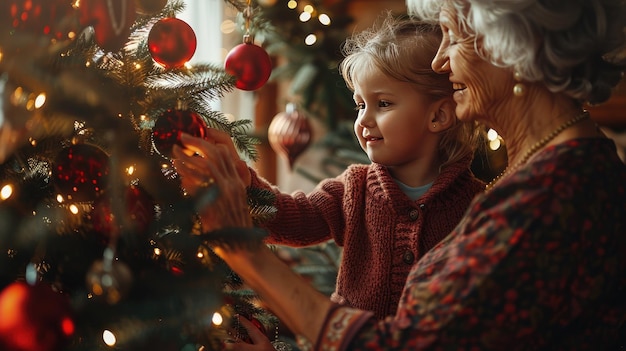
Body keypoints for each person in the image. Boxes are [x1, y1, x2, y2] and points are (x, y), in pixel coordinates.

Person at [172, 0, 626, 349]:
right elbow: (296, 215)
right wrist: (244, 184)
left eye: (453, 36)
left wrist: (241, 249)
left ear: (512, 45)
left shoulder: (553, 195)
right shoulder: (543, 175)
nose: (441, 62)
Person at [194, 13, 483, 325]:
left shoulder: (478, 206)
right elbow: (295, 217)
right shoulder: (354, 188)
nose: (364, 120)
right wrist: (245, 183)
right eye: (360, 105)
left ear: (438, 116)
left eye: (383, 104)